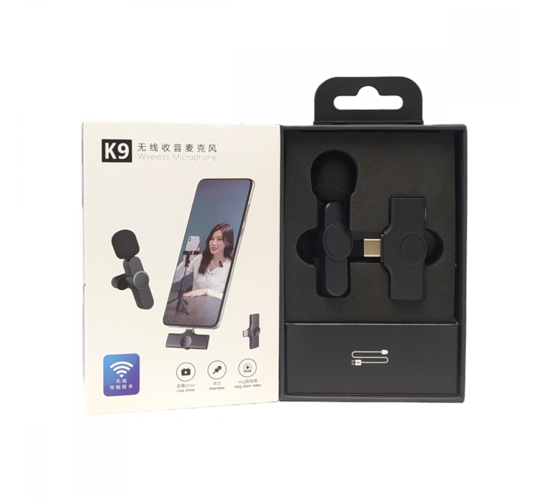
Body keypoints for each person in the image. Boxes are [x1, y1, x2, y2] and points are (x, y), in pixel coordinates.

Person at [173, 223, 234, 300]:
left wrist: (206, 291)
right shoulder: (199, 258)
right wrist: (186, 261)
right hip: (192, 305)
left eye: (219, 239)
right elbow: (174, 279)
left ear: (227, 243)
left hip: (214, 307)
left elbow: (231, 298)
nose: (213, 243)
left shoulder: (231, 266)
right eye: (212, 238)